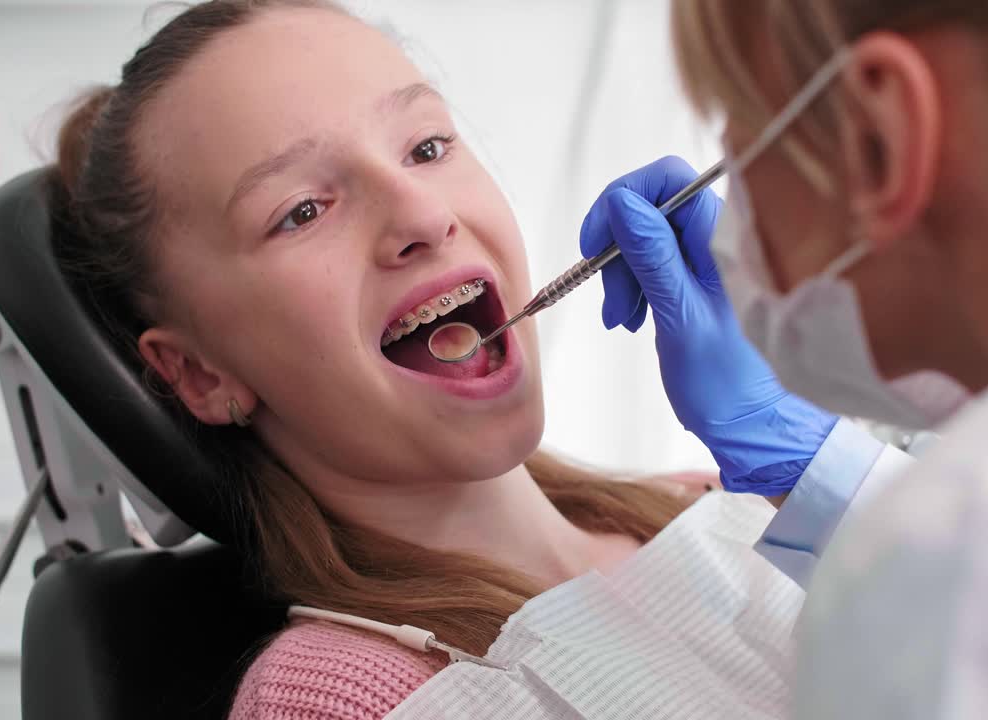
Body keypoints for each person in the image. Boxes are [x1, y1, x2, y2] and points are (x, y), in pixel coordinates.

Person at [47, 2, 734, 718]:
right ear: (201, 374)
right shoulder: (332, 703)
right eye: (303, 210)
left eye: (427, 148)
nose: (424, 216)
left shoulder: (725, 502)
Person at [584, 0, 988, 716]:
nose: (437, 221)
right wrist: (809, 464)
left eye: (736, 130)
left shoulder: (986, 554)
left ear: (878, 135)